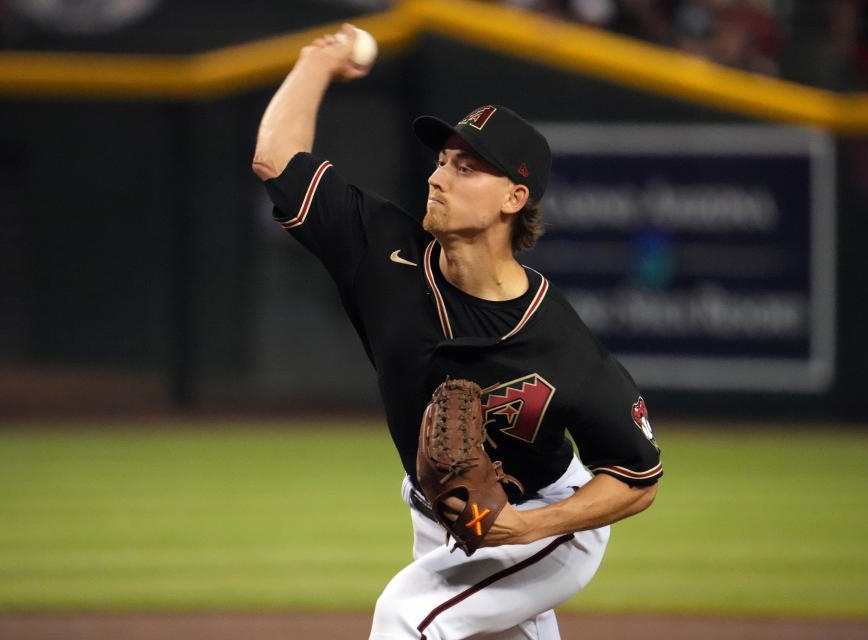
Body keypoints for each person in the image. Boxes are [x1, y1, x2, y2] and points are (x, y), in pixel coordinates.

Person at [252, 23, 662, 640]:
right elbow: (276, 160)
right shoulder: (383, 249)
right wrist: (316, 62)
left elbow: (637, 478)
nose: (438, 177)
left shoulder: (559, 343)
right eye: (441, 162)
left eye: (467, 169)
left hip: (543, 522)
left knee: (407, 615)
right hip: (441, 513)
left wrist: (525, 530)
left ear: (513, 198)